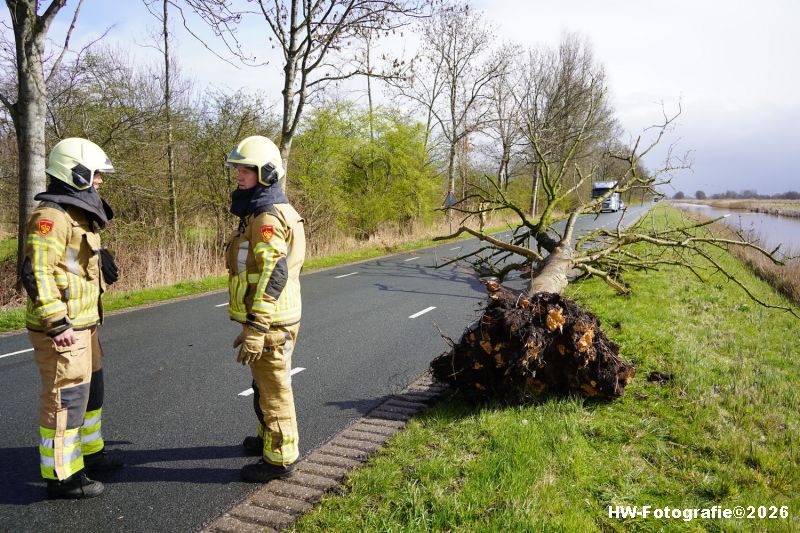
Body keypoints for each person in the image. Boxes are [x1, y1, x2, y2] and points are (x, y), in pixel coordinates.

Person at [22, 137, 123, 499]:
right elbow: (37, 272)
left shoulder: (76, 215)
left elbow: (71, 262)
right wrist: (57, 323)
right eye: (96, 174)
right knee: (65, 399)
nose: (100, 181)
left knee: (90, 392)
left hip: (85, 325)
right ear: (75, 173)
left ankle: (91, 453)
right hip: (65, 329)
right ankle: (63, 476)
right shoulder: (51, 217)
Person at [224, 135, 305, 482]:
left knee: (273, 388)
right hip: (274, 316)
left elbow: (275, 271)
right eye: (238, 169)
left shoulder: (266, 217)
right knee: (263, 384)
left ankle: (279, 459)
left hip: (270, 320)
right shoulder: (271, 209)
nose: (239, 175)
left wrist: (257, 327)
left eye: (247, 169)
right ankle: (265, 438)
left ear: (267, 173)